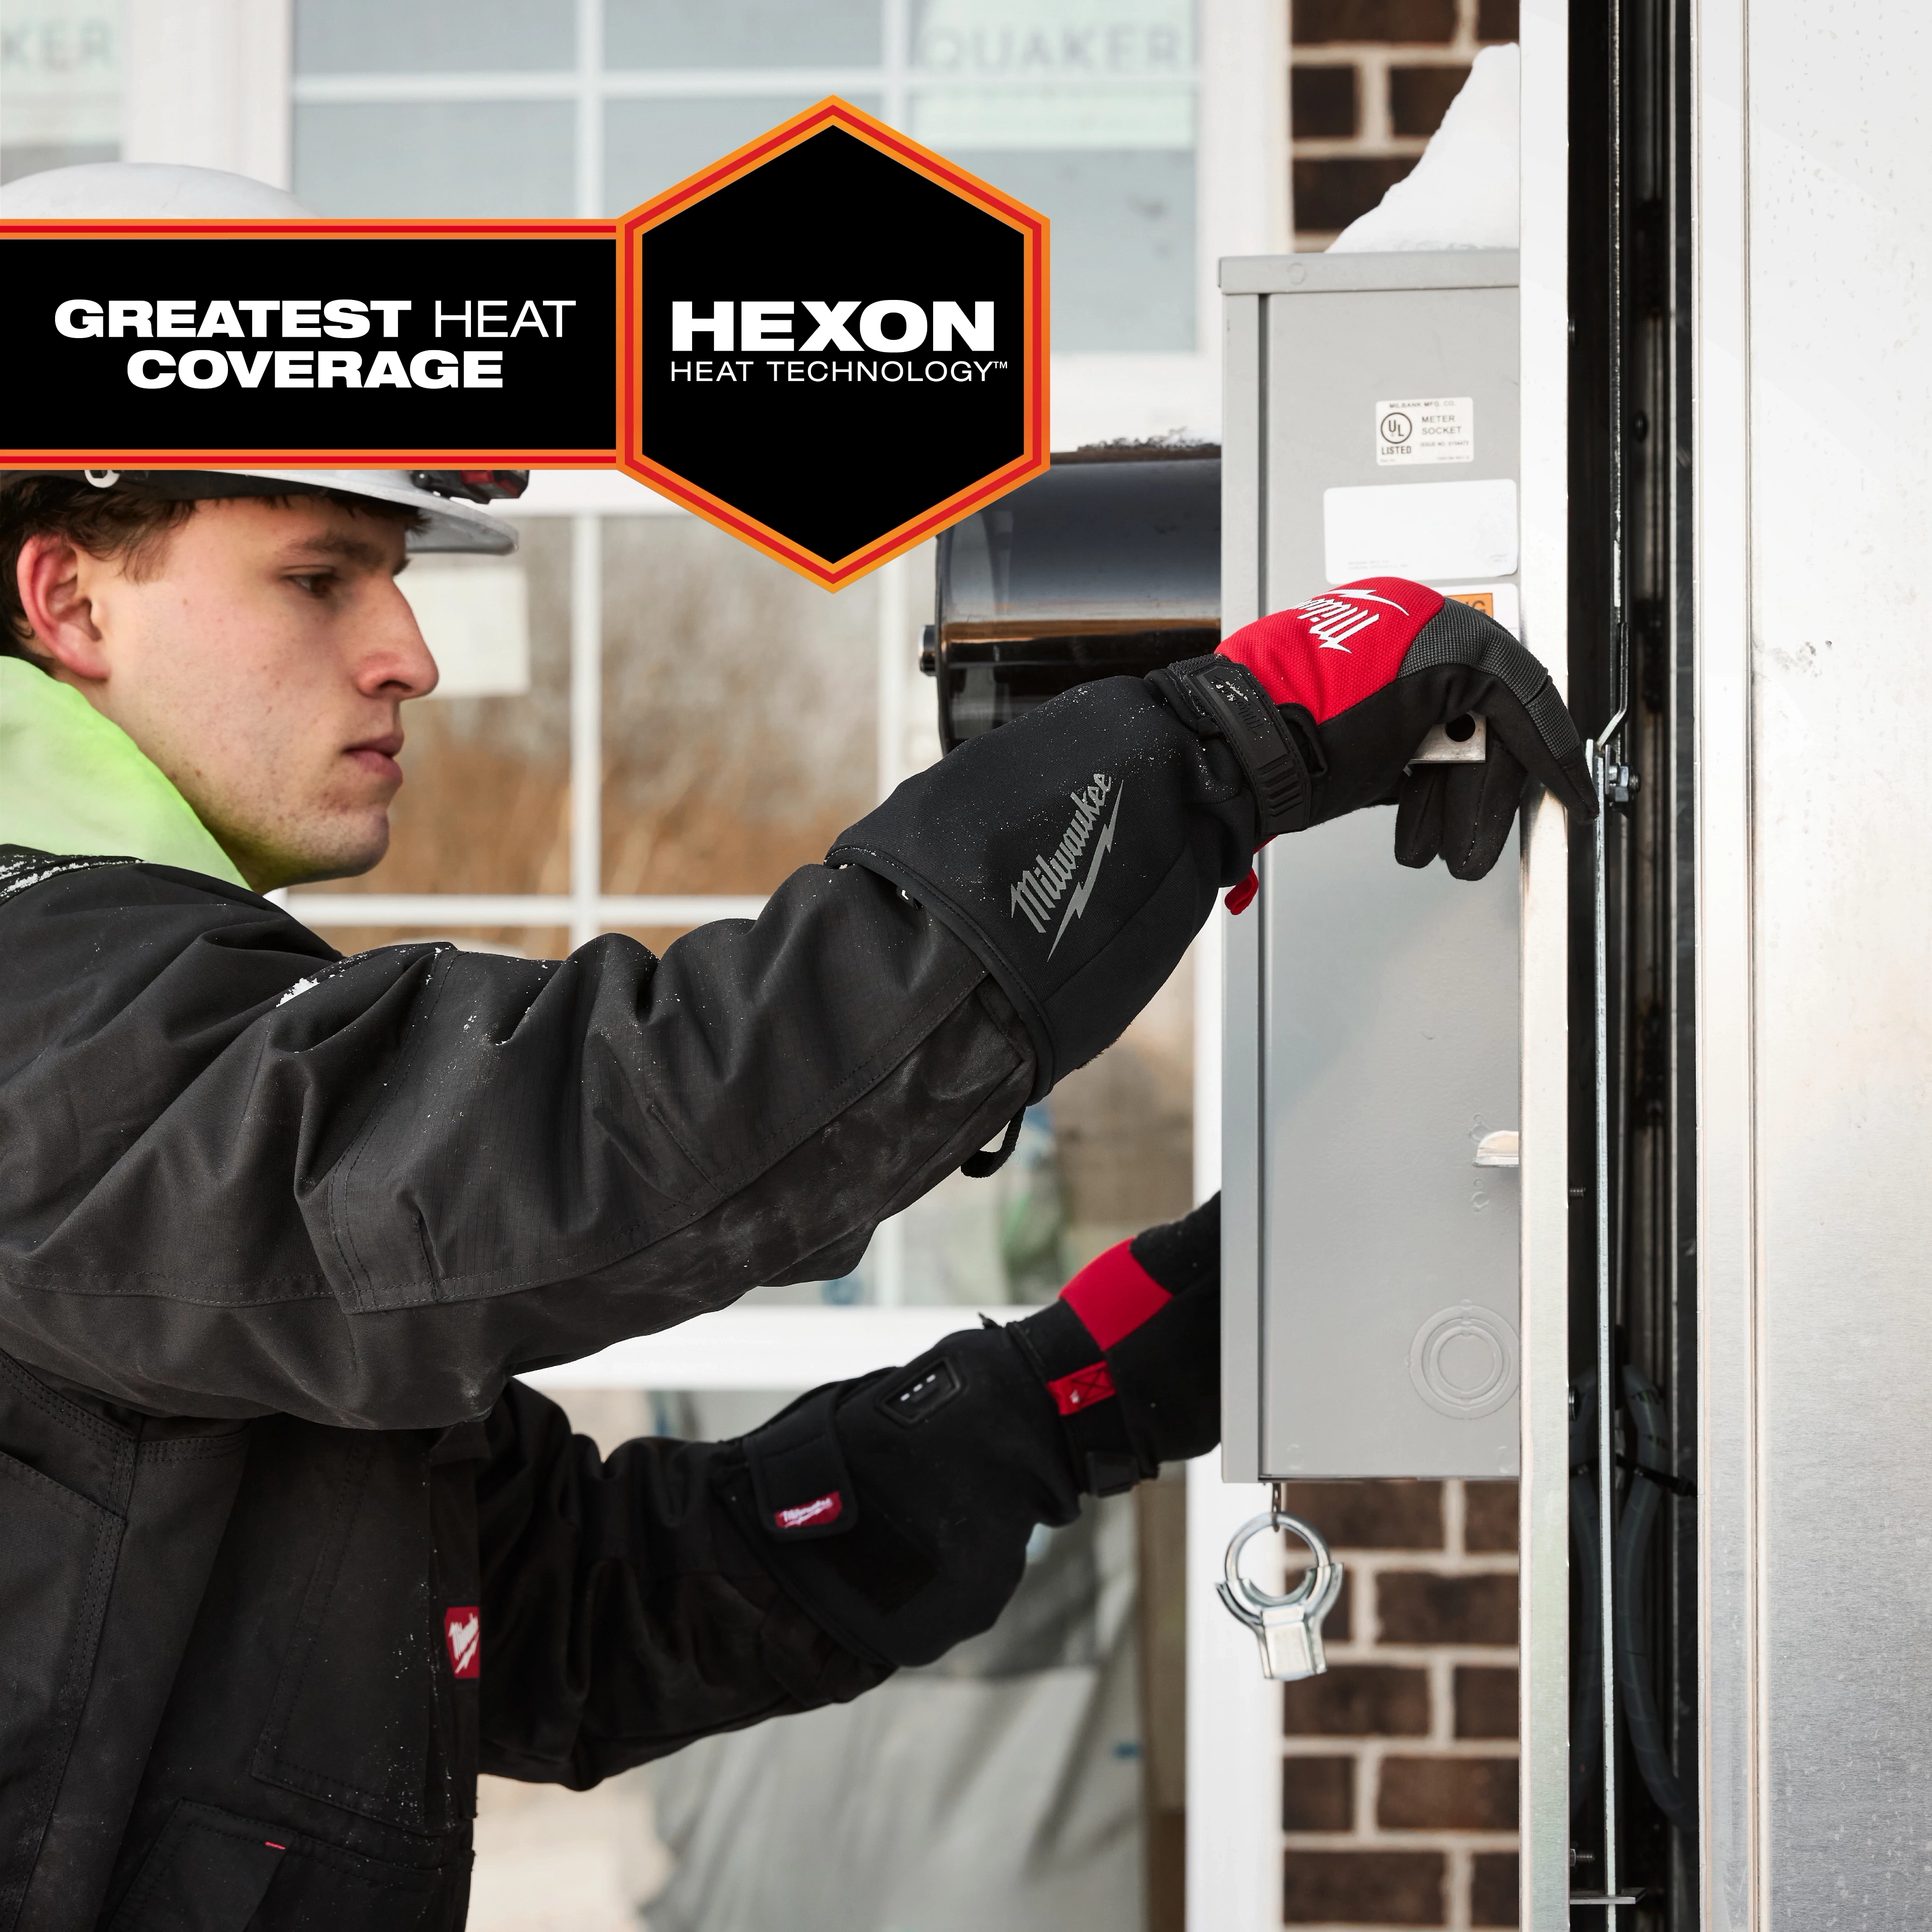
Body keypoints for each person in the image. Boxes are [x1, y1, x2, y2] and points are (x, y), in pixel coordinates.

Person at [0, 164, 1592, 1929]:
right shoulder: (39, 1013)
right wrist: (1214, 753)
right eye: (322, 578)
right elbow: (612, 1129)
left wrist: (1090, 1387)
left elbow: (589, 1618)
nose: (412, 654)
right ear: (70, 604)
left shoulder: (137, 1012)